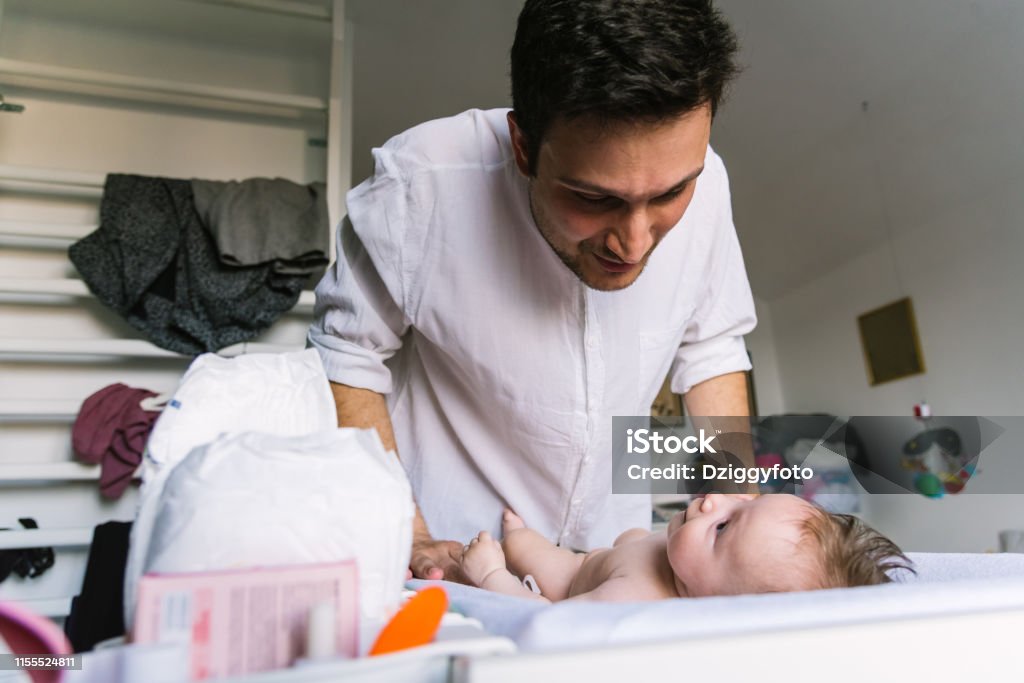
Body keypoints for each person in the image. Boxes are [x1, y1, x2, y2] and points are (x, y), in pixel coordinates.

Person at [309, 0, 756, 582]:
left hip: (611, 555)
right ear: (522, 146)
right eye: (596, 199)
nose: (635, 242)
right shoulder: (419, 186)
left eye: (671, 194)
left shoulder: (709, 181)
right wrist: (410, 533)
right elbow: (347, 353)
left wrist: (736, 515)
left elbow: (712, 350)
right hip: (448, 558)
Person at [460, 494, 912, 602]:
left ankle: (503, 545)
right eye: (746, 501)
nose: (716, 500)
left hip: (572, 574)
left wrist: (493, 577)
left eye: (723, 528)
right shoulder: (689, 564)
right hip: (607, 555)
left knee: (522, 545)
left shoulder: (633, 599)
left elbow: (550, 623)